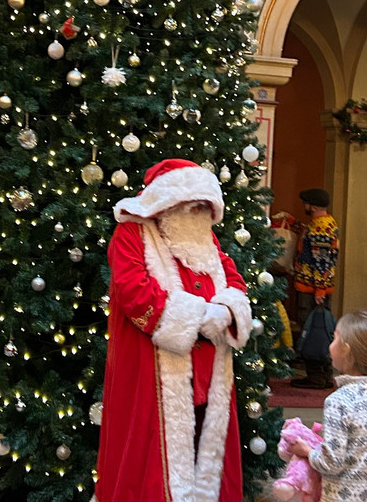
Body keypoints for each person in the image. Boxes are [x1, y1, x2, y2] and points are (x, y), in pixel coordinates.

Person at [95, 158, 253, 502]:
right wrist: (199, 316)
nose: (198, 213)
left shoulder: (207, 243)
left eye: (204, 206)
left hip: (210, 379)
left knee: (205, 461)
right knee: (149, 466)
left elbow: (235, 283)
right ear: (168, 203)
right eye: (192, 204)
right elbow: (132, 291)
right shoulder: (131, 235)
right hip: (150, 378)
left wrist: (224, 311)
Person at [287, 310, 367, 502]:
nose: (330, 344)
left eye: (334, 338)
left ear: (346, 350)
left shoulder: (338, 401)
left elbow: (330, 462)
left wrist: (307, 451)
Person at [289, 188, 339, 388]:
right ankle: (323, 375)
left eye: (307, 203)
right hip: (316, 288)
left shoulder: (320, 228)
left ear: (314, 206)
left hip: (312, 289)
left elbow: (321, 261)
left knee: (312, 331)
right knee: (321, 330)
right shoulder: (322, 224)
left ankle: (316, 376)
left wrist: (319, 290)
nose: (305, 206)